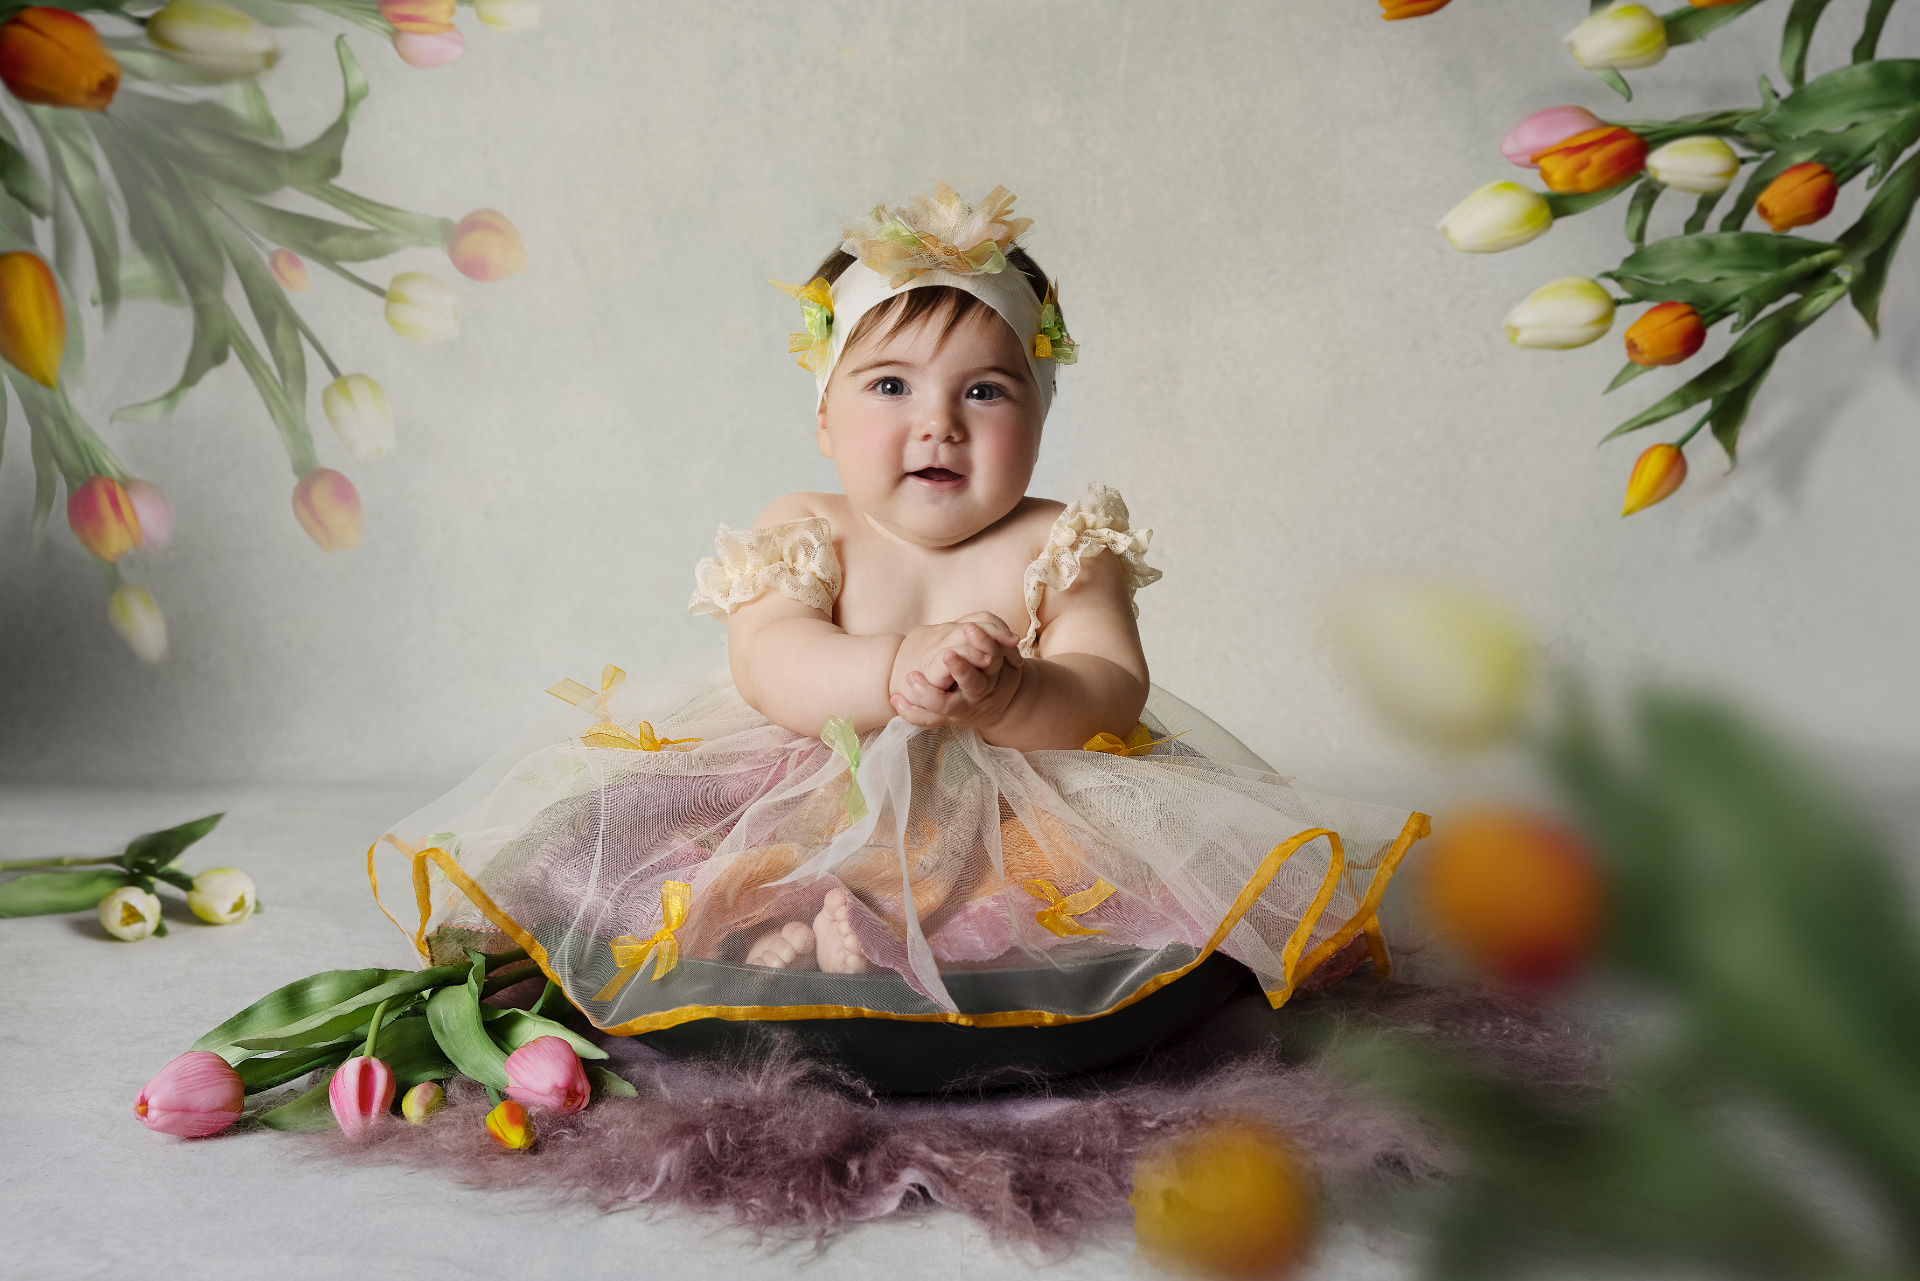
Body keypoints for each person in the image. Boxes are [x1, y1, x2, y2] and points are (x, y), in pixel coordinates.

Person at [372, 183, 1429, 1051]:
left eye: (985, 393)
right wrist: (890, 673)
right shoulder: (807, 527)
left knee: (1059, 905)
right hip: (802, 783)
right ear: (823, 417)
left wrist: (1019, 691)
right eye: (888, 386)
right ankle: (781, 937)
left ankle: (898, 960)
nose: (938, 425)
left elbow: (1111, 684)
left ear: (1040, 413)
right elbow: (772, 664)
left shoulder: (1065, 540)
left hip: (1027, 804)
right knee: (693, 866)